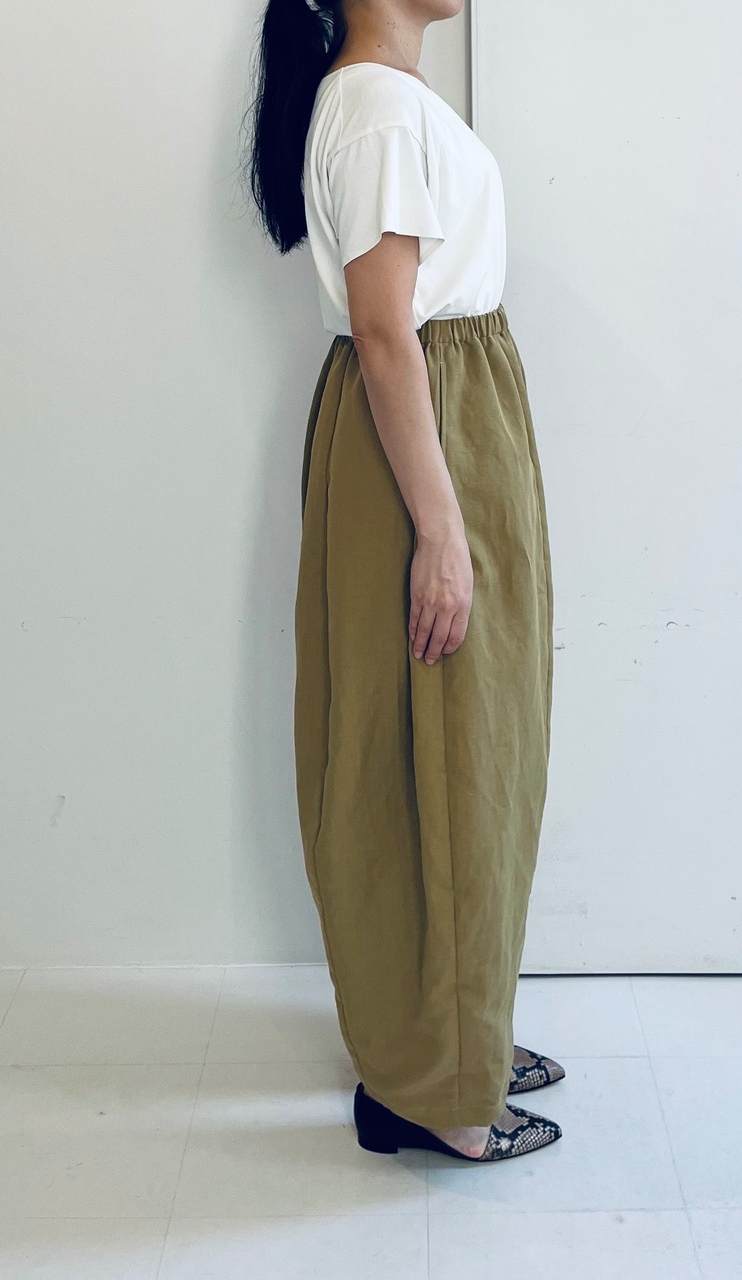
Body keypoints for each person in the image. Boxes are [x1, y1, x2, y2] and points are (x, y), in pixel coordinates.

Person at [245, 0, 562, 1163]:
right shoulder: (376, 109)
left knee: (472, 748)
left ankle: (453, 1037)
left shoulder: (385, 100)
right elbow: (385, 331)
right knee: (436, 756)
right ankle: (432, 1086)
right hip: (424, 435)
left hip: (452, 414)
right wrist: (438, 525)